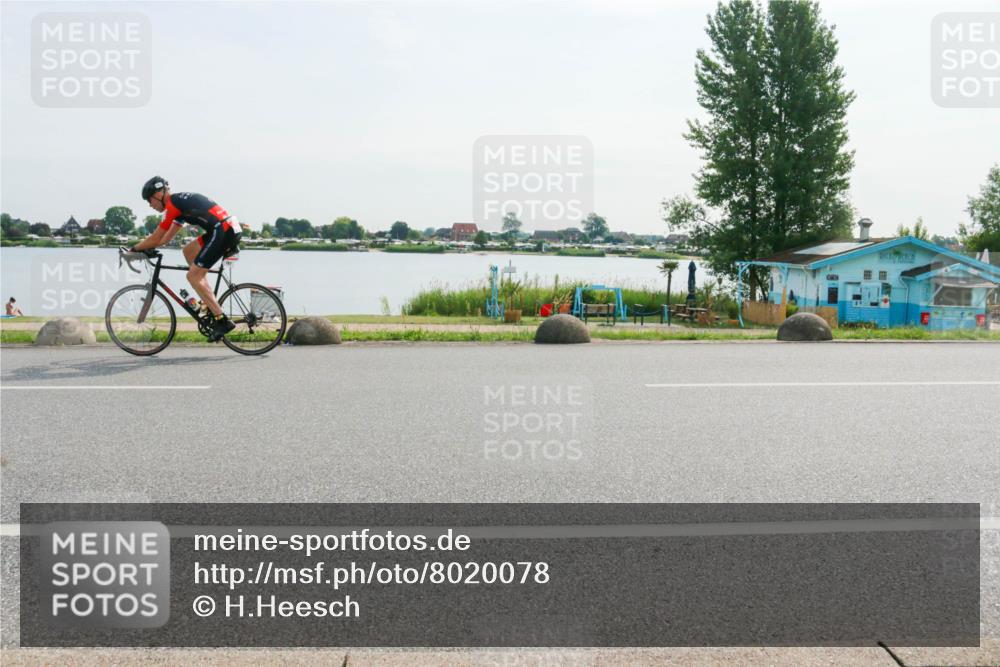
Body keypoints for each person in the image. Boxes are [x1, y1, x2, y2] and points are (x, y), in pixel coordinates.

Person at [130, 176, 241, 342]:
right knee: (189, 251)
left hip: (223, 230)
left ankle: (222, 321)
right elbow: (164, 239)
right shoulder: (178, 205)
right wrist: (148, 248)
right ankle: (209, 304)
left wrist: (134, 249)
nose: (150, 205)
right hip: (225, 228)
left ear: (160, 193)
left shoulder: (173, 205)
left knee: (192, 276)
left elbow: (157, 236)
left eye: (150, 200)